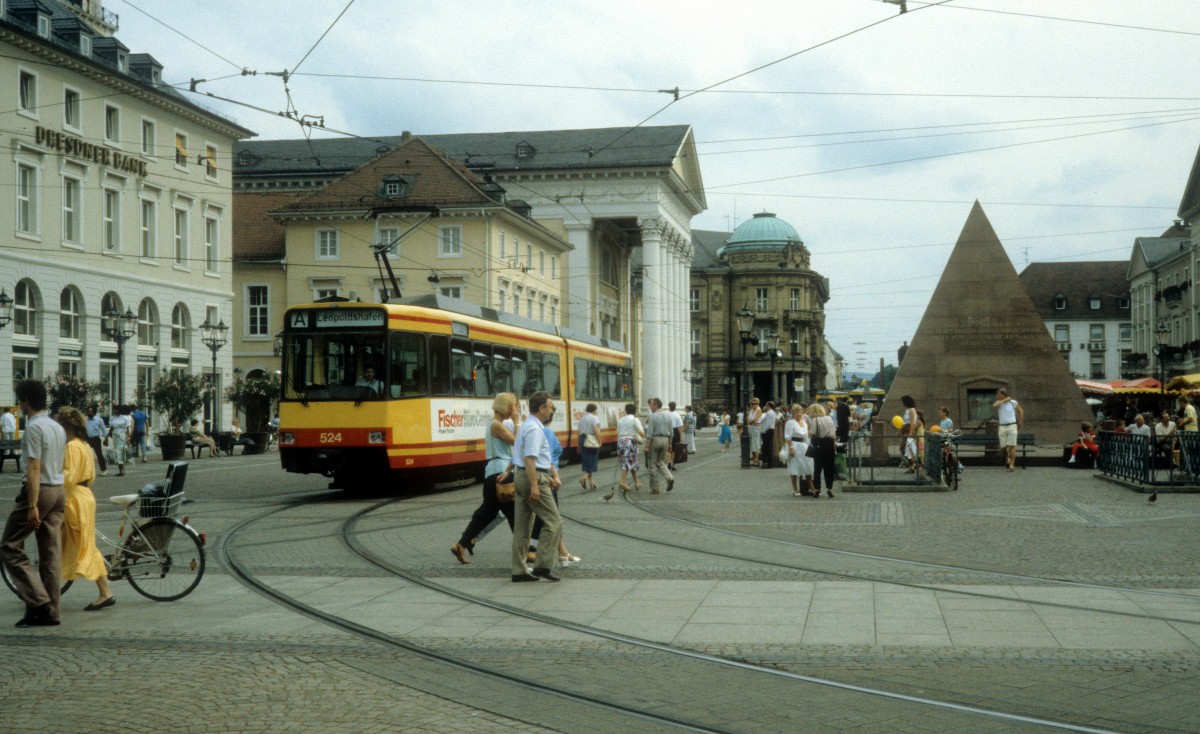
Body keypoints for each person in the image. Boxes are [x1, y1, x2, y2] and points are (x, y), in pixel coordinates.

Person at [1, 379, 67, 627]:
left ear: (27, 400)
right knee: (50, 552)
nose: (19, 404)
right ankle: (51, 612)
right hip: (58, 489)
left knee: (9, 545)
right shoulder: (56, 426)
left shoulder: (34, 427)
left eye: (20, 399)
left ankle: (39, 602)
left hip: (41, 491)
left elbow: (33, 466)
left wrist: (32, 504)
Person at [54, 407, 114, 611]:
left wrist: (50, 481)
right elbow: (91, 474)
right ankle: (104, 591)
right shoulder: (85, 445)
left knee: (82, 545)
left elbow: (68, 476)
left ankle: (105, 592)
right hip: (86, 495)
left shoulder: (71, 446)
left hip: (75, 498)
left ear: (66, 426)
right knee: (84, 543)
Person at [451, 393, 519, 565]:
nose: (515, 410)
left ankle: (462, 544)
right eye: (514, 406)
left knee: (487, 512)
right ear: (507, 407)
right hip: (502, 473)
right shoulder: (496, 425)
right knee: (513, 512)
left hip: (493, 473)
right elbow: (518, 444)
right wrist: (517, 422)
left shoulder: (495, 425)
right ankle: (523, 551)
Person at [509, 391, 563, 582]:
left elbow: (522, 455)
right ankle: (542, 565)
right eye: (550, 407)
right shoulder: (534, 429)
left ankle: (519, 570)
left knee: (522, 527)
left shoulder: (526, 426)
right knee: (554, 521)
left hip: (522, 475)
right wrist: (535, 485)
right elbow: (530, 458)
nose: (552, 411)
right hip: (533, 476)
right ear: (541, 408)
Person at [784, 404, 816, 497]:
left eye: (801, 412)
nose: (799, 414)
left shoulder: (804, 422)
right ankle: (794, 488)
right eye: (797, 412)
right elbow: (788, 436)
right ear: (793, 413)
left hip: (804, 445)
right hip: (794, 445)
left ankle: (811, 486)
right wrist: (790, 448)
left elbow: (806, 436)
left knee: (808, 465)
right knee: (794, 466)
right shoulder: (790, 423)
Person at [807, 402, 837, 498]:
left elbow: (811, 433)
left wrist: (807, 428)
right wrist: (834, 445)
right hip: (830, 444)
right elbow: (833, 433)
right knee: (829, 468)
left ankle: (817, 489)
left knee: (817, 468)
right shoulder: (829, 418)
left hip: (819, 445)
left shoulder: (815, 420)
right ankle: (829, 488)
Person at [614, 402, 645, 494]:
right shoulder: (635, 420)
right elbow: (642, 433)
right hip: (630, 442)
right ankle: (622, 482)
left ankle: (637, 482)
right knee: (628, 462)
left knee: (631, 462)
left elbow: (618, 432)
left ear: (626, 411)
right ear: (635, 411)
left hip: (620, 441)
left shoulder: (621, 420)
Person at [646, 397, 674, 494]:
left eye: (651, 405)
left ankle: (655, 488)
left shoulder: (653, 416)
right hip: (666, 440)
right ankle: (669, 477)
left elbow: (649, 433)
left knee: (653, 464)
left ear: (656, 405)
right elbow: (671, 432)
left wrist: (646, 446)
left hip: (655, 439)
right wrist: (670, 443)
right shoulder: (668, 416)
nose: (650, 407)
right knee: (661, 461)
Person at [992, 388, 1024, 472]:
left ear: (1003, 394)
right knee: (1003, 448)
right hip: (1002, 427)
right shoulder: (998, 403)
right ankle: (1007, 458)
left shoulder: (1012, 402)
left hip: (1012, 426)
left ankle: (1012, 464)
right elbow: (994, 405)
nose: (997, 396)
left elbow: (1020, 411)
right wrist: (1005, 399)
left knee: (1011, 447)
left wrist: (1020, 421)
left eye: (999, 394)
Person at [577, 403, 600, 491]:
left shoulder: (582, 418)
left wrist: (578, 444)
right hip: (591, 439)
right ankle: (584, 477)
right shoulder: (594, 418)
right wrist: (600, 441)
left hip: (583, 440)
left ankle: (591, 482)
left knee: (587, 461)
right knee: (593, 460)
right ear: (594, 410)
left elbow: (578, 432)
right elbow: (596, 431)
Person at [108, 404, 132, 476]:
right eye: (114, 409)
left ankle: (122, 469)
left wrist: (129, 437)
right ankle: (120, 469)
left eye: (116, 409)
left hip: (122, 435)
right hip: (115, 435)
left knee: (120, 452)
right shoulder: (112, 418)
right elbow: (111, 428)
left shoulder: (125, 418)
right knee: (117, 452)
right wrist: (107, 436)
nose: (115, 411)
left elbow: (128, 428)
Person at [84, 405, 108, 476]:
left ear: (94, 412)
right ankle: (86, 471)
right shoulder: (85, 419)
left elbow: (103, 429)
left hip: (96, 439)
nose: (88, 413)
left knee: (99, 454)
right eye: (87, 411)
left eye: (90, 411)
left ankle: (103, 469)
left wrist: (106, 439)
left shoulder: (99, 420)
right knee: (85, 454)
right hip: (87, 439)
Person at [899, 395, 918, 472]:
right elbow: (904, 422)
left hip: (908, 431)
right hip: (905, 430)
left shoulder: (911, 410)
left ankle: (912, 464)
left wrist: (910, 433)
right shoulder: (907, 410)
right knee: (905, 449)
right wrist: (899, 431)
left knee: (906, 448)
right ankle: (911, 465)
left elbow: (912, 422)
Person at [760, 401, 778, 469]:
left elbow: (767, 424)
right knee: (768, 447)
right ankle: (770, 463)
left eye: (766, 405)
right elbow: (775, 421)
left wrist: (763, 431)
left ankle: (766, 462)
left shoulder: (768, 413)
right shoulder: (773, 413)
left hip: (767, 431)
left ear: (769, 406)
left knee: (764, 447)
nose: (765, 407)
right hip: (771, 430)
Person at [667, 401, 683, 471]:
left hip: (667, 431)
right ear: (675, 407)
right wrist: (681, 437)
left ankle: (668, 462)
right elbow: (680, 427)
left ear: (669, 407)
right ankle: (673, 463)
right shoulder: (677, 415)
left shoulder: (666, 414)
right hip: (675, 431)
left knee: (668, 448)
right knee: (674, 449)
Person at [746, 398, 763, 467]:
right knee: (752, 443)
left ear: (758, 404)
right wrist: (750, 421)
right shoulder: (751, 410)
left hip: (756, 427)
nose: (754, 405)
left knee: (756, 444)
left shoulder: (758, 410)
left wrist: (749, 422)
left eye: (755, 404)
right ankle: (753, 459)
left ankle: (757, 460)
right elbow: (748, 418)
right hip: (751, 427)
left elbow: (755, 419)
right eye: (752, 404)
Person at [1, 406, 17, 473]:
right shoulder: (12, 415)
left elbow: (1, 423)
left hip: (6, 430)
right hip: (12, 430)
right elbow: (15, 422)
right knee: (12, 441)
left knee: (6, 442)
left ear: (4, 410)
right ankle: (12, 451)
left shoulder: (3, 416)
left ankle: (6, 451)